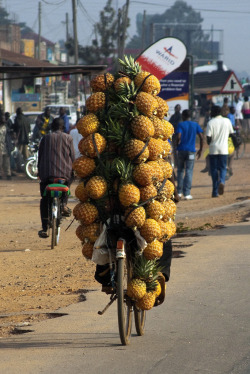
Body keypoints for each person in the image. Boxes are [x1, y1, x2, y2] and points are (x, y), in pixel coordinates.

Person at [38, 117, 75, 238]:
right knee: (69, 182)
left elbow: (40, 157)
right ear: (62, 127)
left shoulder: (46, 138)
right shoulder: (68, 138)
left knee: (44, 199)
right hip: (64, 175)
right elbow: (72, 157)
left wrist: (40, 171)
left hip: (47, 175)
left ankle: (44, 227)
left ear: (52, 126)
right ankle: (63, 204)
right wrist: (73, 171)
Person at [206, 105, 234, 198]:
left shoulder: (210, 122)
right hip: (224, 149)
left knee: (214, 169)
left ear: (213, 112)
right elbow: (232, 134)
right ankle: (221, 181)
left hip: (213, 149)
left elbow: (208, 139)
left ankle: (215, 192)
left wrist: (211, 142)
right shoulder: (227, 121)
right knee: (222, 168)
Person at [176, 109, 203, 200]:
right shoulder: (195, 125)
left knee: (180, 170)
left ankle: (179, 192)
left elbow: (178, 136)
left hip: (181, 150)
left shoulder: (181, 124)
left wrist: (177, 145)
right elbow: (201, 137)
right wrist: (200, 150)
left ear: (183, 116)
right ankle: (187, 193)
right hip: (191, 151)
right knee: (189, 171)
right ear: (190, 116)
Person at [0, 114, 12, 180]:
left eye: (4, 119)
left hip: (5, 146)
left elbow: (8, 137)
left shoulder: (6, 127)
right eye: (2, 119)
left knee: (7, 161)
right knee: (0, 161)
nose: (4, 120)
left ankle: (8, 174)